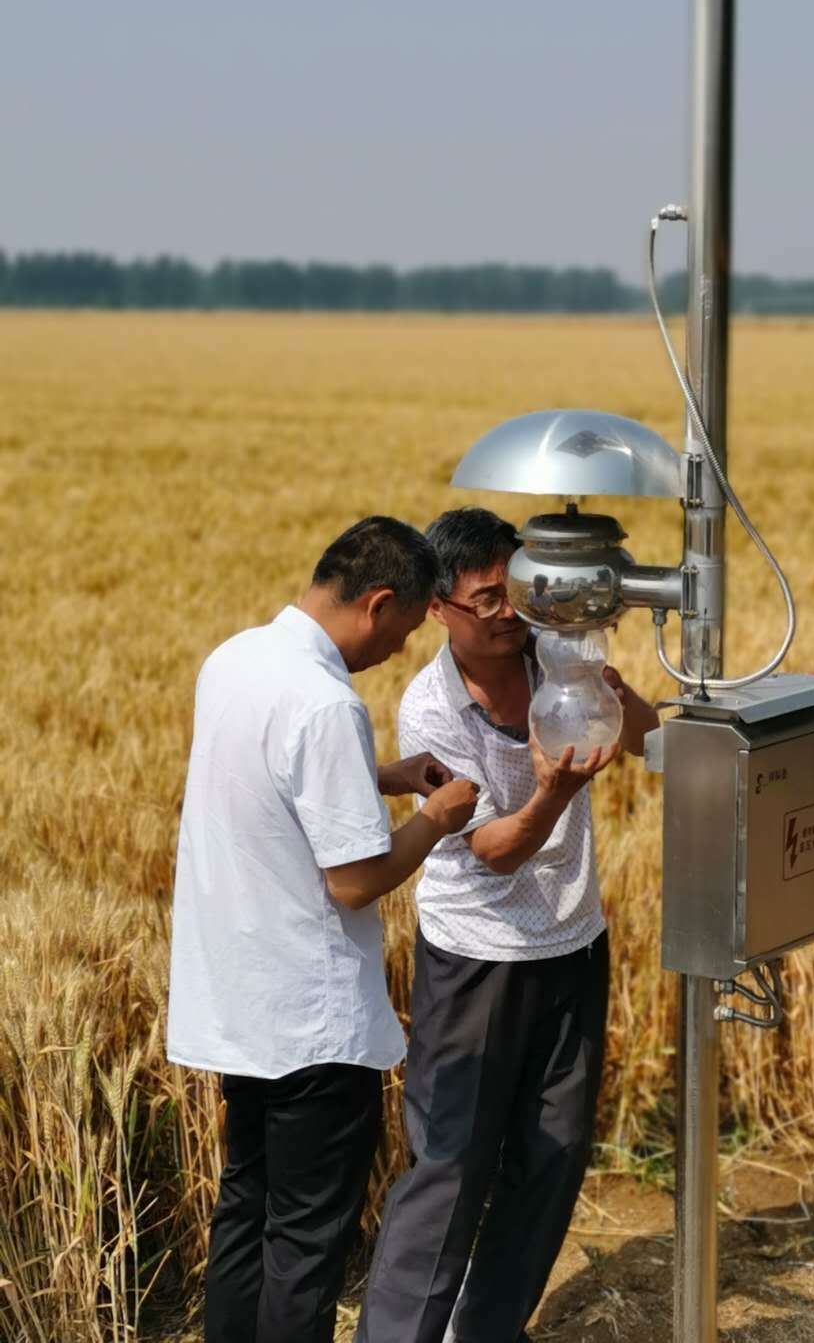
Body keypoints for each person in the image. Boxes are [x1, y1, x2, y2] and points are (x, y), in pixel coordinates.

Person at [166, 516, 478, 1343]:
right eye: (407, 629)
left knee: (246, 1211)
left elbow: (268, 780)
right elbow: (354, 881)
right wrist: (438, 817)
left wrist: (384, 776)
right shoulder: (327, 702)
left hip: (238, 1004)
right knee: (305, 1241)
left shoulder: (233, 659)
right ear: (378, 603)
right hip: (313, 1025)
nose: (401, 649)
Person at [356, 507, 659, 1343]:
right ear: (437, 610)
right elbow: (492, 849)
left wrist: (621, 701)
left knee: (551, 1160)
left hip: (571, 942)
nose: (506, 613)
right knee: (451, 1164)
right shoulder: (431, 709)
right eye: (486, 600)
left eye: (514, 592)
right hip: (476, 960)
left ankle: (483, 1329)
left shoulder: (559, 650)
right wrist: (553, 794)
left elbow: (646, 736)